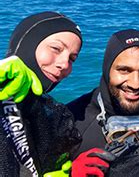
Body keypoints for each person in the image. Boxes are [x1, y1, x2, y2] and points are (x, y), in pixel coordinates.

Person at [67, 29, 139, 176]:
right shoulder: (72, 120)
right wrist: (68, 173)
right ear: (107, 70)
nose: (135, 84)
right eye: (124, 70)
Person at [0, 11, 83, 176]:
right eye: (56, 48)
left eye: (72, 59)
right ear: (27, 44)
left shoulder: (55, 117)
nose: (64, 64)